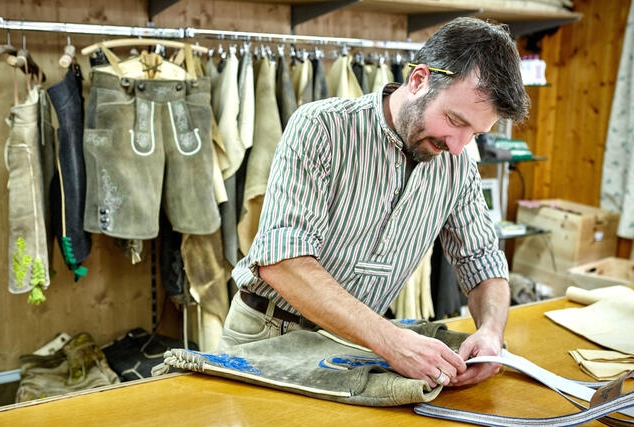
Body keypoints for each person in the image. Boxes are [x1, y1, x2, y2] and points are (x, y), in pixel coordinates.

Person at [218, 17, 530, 389]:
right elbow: (282, 262)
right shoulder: (323, 128)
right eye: (453, 120)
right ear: (419, 80)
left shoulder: (457, 163)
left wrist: (491, 333)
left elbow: (481, 260)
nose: (458, 145)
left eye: (474, 134)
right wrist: (392, 341)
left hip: (357, 348)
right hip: (269, 337)